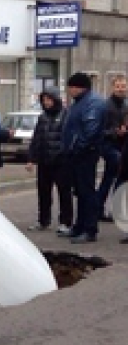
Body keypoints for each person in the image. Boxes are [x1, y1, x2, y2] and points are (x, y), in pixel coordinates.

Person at [59, 72, 108, 244]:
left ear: (78, 87)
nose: (69, 90)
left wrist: (76, 148)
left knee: (87, 192)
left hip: (85, 154)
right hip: (77, 154)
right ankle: (79, 227)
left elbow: (90, 131)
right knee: (80, 192)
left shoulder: (92, 103)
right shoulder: (80, 102)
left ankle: (89, 229)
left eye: (71, 87)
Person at [25, 87, 72, 233]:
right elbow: (37, 139)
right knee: (43, 193)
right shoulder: (42, 117)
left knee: (64, 193)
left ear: (56, 99)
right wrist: (31, 159)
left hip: (61, 162)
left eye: (49, 99)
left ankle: (66, 222)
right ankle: (43, 220)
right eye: (44, 100)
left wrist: (64, 154)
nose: (46, 103)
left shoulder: (66, 115)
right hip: (44, 161)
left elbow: (69, 137)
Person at [96, 74, 128, 222]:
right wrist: (116, 132)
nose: (121, 89)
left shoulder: (125, 105)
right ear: (112, 88)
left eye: (123, 86)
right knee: (117, 177)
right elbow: (100, 130)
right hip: (109, 146)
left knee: (110, 178)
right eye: (118, 86)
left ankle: (102, 209)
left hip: (122, 146)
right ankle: (112, 209)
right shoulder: (106, 106)